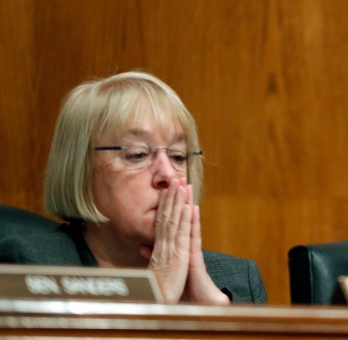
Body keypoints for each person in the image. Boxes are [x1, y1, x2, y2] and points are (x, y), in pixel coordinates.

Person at [0, 71, 267, 304]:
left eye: (178, 156)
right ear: (80, 169)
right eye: (138, 154)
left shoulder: (238, 280)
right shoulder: (33, 267)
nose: (167, 174)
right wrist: (154, 299)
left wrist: (216, 322)